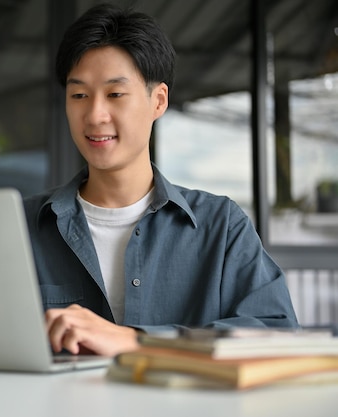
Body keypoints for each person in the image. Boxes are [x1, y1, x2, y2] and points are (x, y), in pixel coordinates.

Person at [23, 3, 298, 358]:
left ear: (159, 101)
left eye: (115, 94)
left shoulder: (221, 226)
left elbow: (278, 334)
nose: (94, 114)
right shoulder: (22, 226)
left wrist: (138, 342)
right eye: (79, 95)